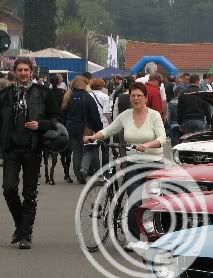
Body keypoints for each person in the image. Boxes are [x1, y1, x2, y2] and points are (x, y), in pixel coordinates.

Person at [83, 82, 166, 245]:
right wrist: (93, 137)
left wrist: (147, 145)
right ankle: (134, 239)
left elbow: (162, 138)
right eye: (132, 96)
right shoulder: (125, 115)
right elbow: (109, 130)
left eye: (139, 96)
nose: (135, 99)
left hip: (154, 163)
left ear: (146, 98)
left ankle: (155, 237)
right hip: (133, 163)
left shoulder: (154, 115)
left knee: (154, 202)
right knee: (134, 200)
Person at [0, 57, 61, 249]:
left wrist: (40, 124)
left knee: (29, 193)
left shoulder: (44, 93)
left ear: (31, 72)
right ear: (15, 72)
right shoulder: (6, 94)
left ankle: (26, 234)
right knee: (8, 189)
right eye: (20, 70)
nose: (23, 73)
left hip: (33, 149)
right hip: (11, 149)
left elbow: (56, 119)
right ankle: (21, 224)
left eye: (26, 70)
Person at [62, 76, 102, 183]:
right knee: (89, 150)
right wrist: (99, 128)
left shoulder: (68, 96)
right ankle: (83, 170)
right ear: (85, 84)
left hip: (71, 128)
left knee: (76, 152)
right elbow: (95, 115)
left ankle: (78, 175)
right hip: (85, 129)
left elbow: (63, 114)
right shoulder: (88, 97)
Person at [43, 74, 70, 184]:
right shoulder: (63, 93)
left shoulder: (46, 93)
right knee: (65, 150)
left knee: (49, 149)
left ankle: (48, 175)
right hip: (62, 122)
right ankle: (66, 174)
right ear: (59, 82)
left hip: (49, 123)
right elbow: (66, 107)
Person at [87, 78, 112, 176]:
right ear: (101, 85)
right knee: (105, 149)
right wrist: (111, 123)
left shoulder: (88, 95)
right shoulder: (105, 96)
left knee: (93, 148)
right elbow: (106, 112)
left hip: (91, 125)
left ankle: (93, 169)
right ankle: (105, 170)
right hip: (104, 125)